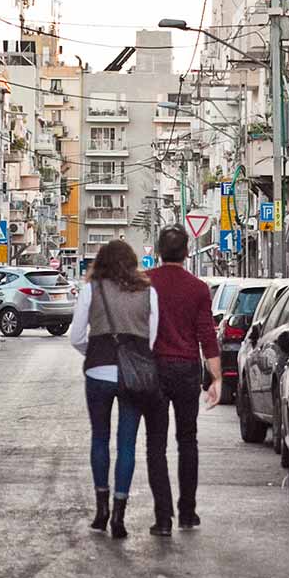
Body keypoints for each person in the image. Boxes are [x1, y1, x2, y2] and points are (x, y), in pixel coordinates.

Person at [70, 240, 159, 540]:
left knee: (99, 438)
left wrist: (94, 352)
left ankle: (101, 510)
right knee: (127, 444)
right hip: (133, 375)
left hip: (98, 370)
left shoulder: (90, 289)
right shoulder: (149, 291)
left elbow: (76, 336)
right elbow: (153, 338)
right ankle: (120, 515)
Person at [144, 224, 221, 536]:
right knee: (187, 441)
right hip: (188, 369)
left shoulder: (145, 284)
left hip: (155, 369)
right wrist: (216, 378)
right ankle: (187, 513)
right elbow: (207, 335)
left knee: (155, 445)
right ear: (187, 253)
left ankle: (163, 519)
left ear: (160, 252)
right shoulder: (199, 288)